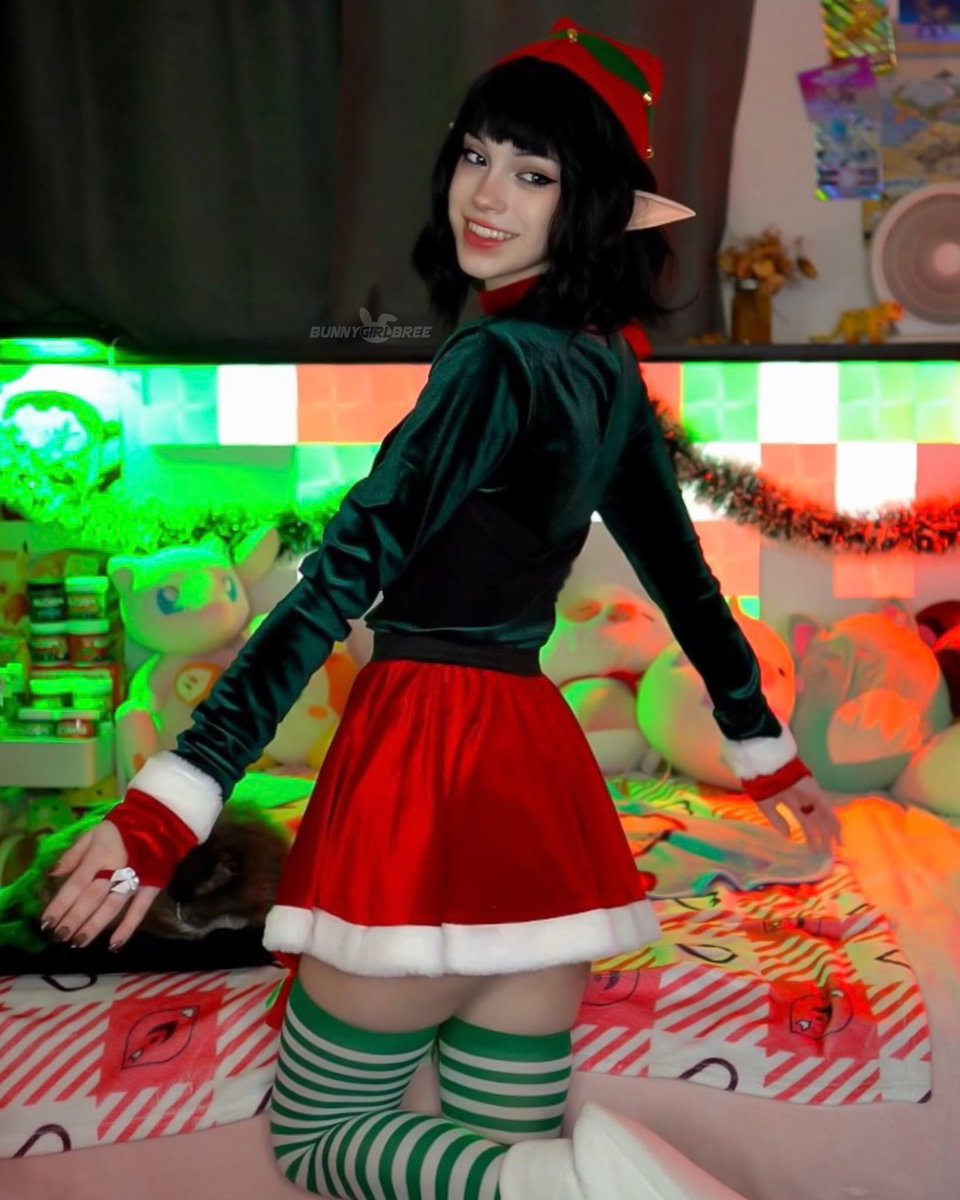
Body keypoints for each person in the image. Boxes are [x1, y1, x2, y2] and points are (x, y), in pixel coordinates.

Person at [41, 17, 839, 1200]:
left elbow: (338, 581)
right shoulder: (604, 364)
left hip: (427, 768)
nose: (488, 195)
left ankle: (579, 1188)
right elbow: (687, 583)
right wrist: (767, 756)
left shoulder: (491, 363)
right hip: (539, 790)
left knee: (317, 1138)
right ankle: (576, 1181)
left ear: (592, 204)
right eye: (476, 155)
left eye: (534, 173)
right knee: (500, 1151)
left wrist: (165, 810)